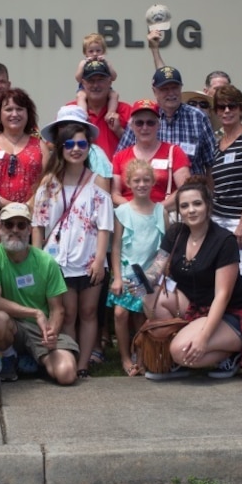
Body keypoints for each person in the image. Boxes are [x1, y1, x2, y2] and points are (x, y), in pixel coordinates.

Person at [141, 176, 242, 381]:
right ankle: (185, 351)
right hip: (196, 306)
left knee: (180, 351)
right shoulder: (176, 233)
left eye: (197, 203)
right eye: (185, 206)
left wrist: (204, 339)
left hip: (231, 313)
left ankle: (232, 353)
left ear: (207, 206)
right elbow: (156, 268)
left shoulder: (224, 240)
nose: (191, 210)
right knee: (150, 298)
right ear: (179, 210)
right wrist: (140, 281)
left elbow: (222, 296)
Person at [32, 118, 113, 378]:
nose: (76, 149)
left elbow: (104, 225)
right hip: (57, 261)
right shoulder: (49, 183)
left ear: (89, 147)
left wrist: (100, 259)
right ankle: (70, 355)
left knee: (89, 312)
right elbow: (38, 225)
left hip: (89, 258)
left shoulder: (98, 181)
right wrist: (38, 259)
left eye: (81, 143)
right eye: (69, 144)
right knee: (67, 313)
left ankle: (83, 365)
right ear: (60, 148)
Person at [0, 203, 79, 386]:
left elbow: (58, 309)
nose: (15, 230)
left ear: (29, 229)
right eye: (9, 224)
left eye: (21, 225)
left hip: (39, 329)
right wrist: (35, 313)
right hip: (12, 326)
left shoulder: (46, 261)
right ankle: (8, 357)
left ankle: (34, 359)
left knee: (66, 375)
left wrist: (51, 334)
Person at [108, 159, 166, 376]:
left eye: (146, 180)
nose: (141, 184)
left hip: (148, 275)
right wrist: (117, 277)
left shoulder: (160, 211)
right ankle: (124, 356)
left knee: (141, 315)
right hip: (126, 272)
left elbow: (164, 250)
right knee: (120, 313)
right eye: (136, 180)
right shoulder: (123, 211)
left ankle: (140, 358)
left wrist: (157, 275)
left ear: (153, 183)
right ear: (129, 184)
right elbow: (115, 247)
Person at [209, 85, 242, 287]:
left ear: (241, 109)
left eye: (232, 106)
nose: (227, 111)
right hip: (217, 219)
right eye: (221, 107)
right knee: (216, 278)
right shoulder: (216, 145)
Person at [0, 87, 48, 239]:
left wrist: (28, 204)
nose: (14, 114)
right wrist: (0, 202)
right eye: (8, 109)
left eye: (20, 109)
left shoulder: (40, 146)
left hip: (30, 219)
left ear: (28, 114)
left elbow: (46, 180)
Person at [144, 30, 223, 145]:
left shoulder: (198, 118)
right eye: (165, 89)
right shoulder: (143, 119)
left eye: (175, 88)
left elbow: (211, 160)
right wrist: (155, 50)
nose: (171, 93)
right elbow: (122, 157)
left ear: (181, 88)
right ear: (155, 92)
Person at [111, 100, 190, 207]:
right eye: (139, 123)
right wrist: (135, 210)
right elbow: (115, 194)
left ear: (158, 125)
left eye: (150, 123)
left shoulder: (174, 152)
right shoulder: (119, 157)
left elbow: (185, 188)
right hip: (129, 216)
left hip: (163, 214)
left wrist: (156, 209)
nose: (145, 128)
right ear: (131, 126)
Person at [70, 60, 130, 160]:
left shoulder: (125, 110)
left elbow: (141, 147)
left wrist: (119, 131)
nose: (95, 85)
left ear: (110, 81)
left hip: (117, 174)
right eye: (91, 81)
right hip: (82, 174)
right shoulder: (72, 111)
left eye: (100, 80)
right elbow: (54, 145)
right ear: (83, 83)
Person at [73, 33, 120, 123]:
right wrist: (82, 67)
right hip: (84, 88)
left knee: (114, 95)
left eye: (98, 51)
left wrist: (108, 65)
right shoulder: (83, 63)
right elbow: (78, 78)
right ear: (85, 53)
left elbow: (113, 77)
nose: (95, 54)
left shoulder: (105, 63)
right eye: (91, 51)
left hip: (106, 89)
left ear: (103, 51)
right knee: (80, 95)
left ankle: (111, 112)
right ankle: (83, 114)